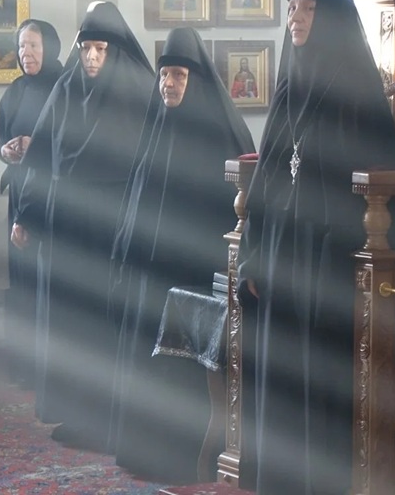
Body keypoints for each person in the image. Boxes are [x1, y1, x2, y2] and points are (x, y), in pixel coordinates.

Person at [237, 0, 395, 495]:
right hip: (280, 252)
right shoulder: (289, 82)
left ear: (328, 15)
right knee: (280, 375)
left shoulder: (357, 88)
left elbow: (380, 180)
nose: (296, 19)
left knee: (317, 376)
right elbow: (267, 175)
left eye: (307, 8)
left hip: (329, 257)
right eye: (292, 9)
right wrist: (254, 256)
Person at [110, 26, 255, 483]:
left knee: (183, 373)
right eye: (164, 75)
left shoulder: (220, 133)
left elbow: (234, 210)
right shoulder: (156, 123)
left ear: (196, 80)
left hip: (193, 276)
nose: (168, 84)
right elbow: (136, 197)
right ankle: (142, 449)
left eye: (178, 76)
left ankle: (181, 455)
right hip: (151, 274)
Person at [11, 2, 153, 452]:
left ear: (116, 52)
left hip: (113, 228)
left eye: (101, 49)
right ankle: (76, 412)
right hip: (65, 226)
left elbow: (151, 171)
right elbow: (40, 159)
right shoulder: (69, 86)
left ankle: (108, 419)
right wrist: (25, 216)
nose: (91, 57)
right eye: (86, 48)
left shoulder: (139, 92)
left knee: (103, 323)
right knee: (67, 321)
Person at [0, 18, 62, 388]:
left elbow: (68, 144)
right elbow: (1, 139)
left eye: (34, 45)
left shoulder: (64, 87)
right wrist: (5, 151)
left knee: (45, 282)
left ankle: (49, 369)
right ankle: (25, 366)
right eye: (21, 46)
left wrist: (36, 148)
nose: (26, 53)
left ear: (49, 47)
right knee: (21, 279)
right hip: (19, 192)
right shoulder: (16, 90)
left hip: (52, 198)